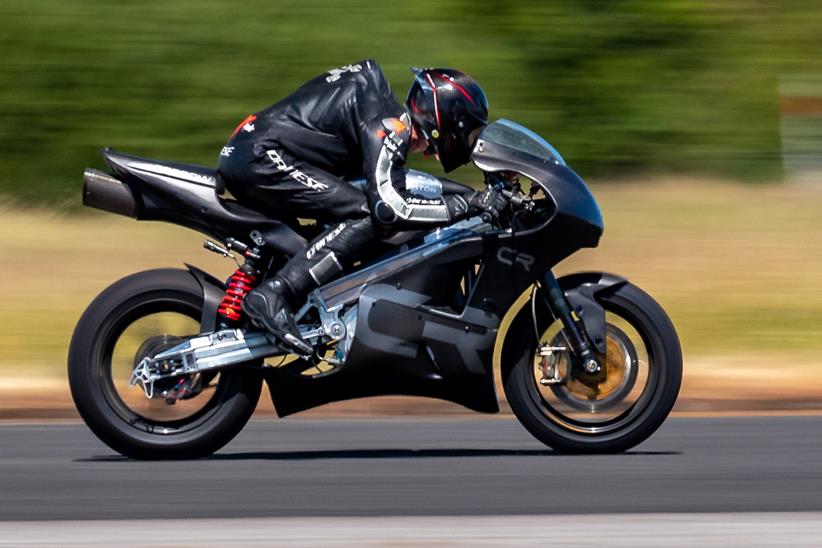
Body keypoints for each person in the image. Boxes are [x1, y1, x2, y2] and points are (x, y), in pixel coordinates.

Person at [218, 60, 506, 355]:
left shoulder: (382, 115)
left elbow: (407, 184)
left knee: (359, 211)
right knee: (367, 214)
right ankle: (276, 293)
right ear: (446, 120)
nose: (465, 143)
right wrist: (468, 204)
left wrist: (474, 197)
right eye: (467, 133)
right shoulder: (388, 124)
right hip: (261, 157)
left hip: (258, 150)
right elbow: (390, 208)